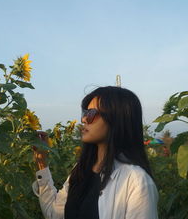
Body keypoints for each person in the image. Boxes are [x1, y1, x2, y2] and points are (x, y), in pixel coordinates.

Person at [32, 86, 159, 219]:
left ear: (117, 119)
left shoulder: (137, 182)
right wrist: (41, 162)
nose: (84, 119)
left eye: (91, 113)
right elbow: (54, 214)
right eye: (85, 113)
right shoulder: (80, 170)